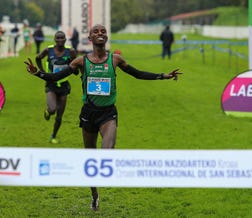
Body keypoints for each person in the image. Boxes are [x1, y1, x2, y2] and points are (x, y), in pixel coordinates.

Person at [25, 24, 181, 211]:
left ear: (107, 38)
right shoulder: (81, 62)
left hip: (108, 113)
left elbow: (138, 74)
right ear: (90, 38)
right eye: (96, 32)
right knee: (91, 159)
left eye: (103, 32)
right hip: (88, 114)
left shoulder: (115, 60)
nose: (100, 33)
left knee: (106, 153)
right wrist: (38, 73)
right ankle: (95, 195)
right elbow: (55, 76)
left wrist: (164, 76)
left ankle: (105, 169)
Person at [35, 31, 77, 144]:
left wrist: (74, 70)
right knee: (53, 109)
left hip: (64, 85)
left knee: (59, 116)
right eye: (57, 38)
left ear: (65, 39)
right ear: (54, 39)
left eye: (62, 38)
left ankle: (53, 135)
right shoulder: (48, 50)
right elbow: (38, 58)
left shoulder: (71, 51)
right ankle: (48, 111)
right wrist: (43, 72)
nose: (60, 40)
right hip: (51, 84)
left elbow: (75, 66)